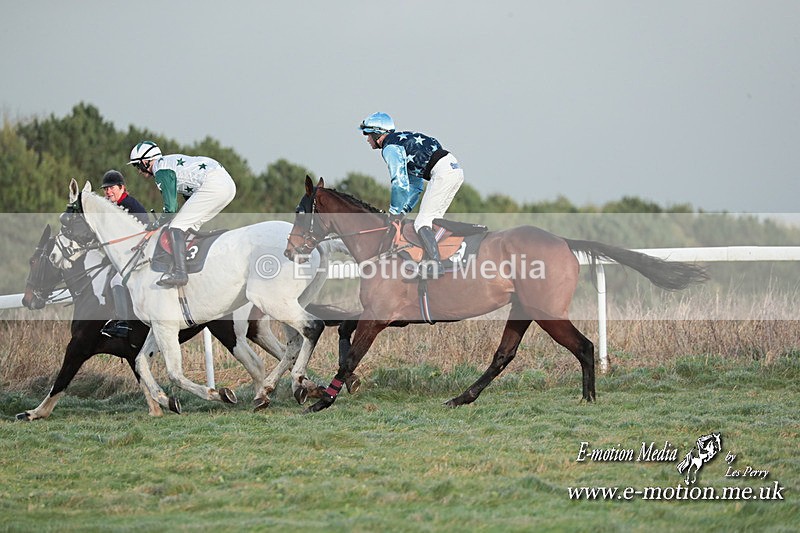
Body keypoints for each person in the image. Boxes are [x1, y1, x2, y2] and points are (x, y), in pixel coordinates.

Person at [359, 112, 464, 278]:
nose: (366, 139)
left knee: (422, 222)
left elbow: (399, 184)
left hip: (443, 173)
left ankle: (435, 265)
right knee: (433, 221)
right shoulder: (402, 141)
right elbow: (415, 187)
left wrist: (394, 213)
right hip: (453, 170)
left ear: (377, 133)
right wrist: (403, 212)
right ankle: (445, 256)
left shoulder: (390, 148)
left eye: (367, 134)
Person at [127, 140, 236, 287]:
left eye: (137, 165)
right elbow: (188, 200)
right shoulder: (168, 162)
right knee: (190, 225)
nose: (138, 171)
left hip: (214, 183)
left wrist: (157, 224)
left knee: (177, 226)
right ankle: (193, 264)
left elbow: (171, 208)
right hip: (227, 185)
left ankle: (180, 273)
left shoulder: (161, 169)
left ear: (146, 161)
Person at [99, 170, 149, 339]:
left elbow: (145, 229)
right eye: (105, 189)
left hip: (140, 254)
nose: (108, 192)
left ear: (122, 188)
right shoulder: (111, 208)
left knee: (116, 280)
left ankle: (123, 323)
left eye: (111, 188)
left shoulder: (130, 206)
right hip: (125, 256)